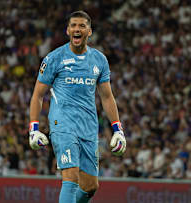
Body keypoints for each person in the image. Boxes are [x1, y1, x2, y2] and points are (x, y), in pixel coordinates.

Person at [28, 11, 126, 203]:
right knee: (70, 177)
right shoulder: (54, 59)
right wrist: (34, 128)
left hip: (88, 127)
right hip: (62, 123)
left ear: (89, 31)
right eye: (73, 25)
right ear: (67, 30)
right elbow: (38, 95)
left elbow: (107, 97)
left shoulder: (99, 60)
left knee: (90, 186)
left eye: (82, 26)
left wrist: (117, 129)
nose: (77, 29)